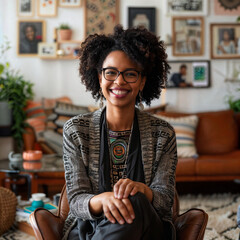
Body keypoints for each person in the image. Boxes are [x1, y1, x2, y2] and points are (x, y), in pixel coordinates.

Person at [62, 25, 178, 240]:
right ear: (99, 77)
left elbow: (164, 202)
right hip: (90, 229)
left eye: (130, 74)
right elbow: (77, 201)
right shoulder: (76, 131)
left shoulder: (163, 134)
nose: (119, 81)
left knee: (135, 200)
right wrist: (103, 200)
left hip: (148, 230)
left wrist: (142, 190)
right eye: (111, 72)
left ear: (143, 81)